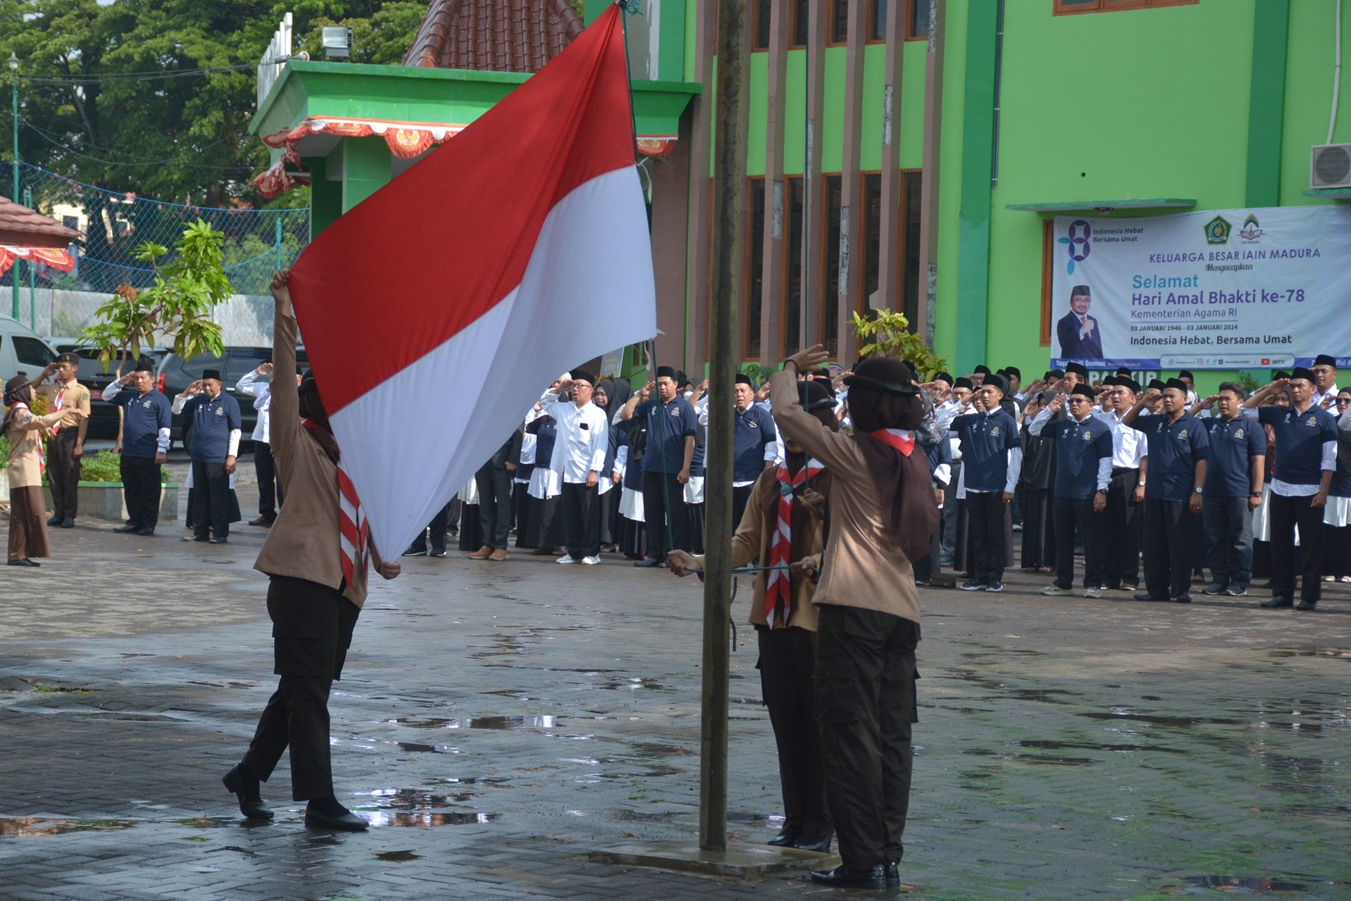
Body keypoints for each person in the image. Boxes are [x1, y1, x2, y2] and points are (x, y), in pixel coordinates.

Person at [223, 270, 400, 832]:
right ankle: (320, 803)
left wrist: (382, 555)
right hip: (301, 581)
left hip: (345, 587)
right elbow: (282, 382)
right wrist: (284, 310)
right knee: (309, 693)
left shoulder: (355, 454)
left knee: (304, 689)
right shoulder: (296, 440)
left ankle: (249, 775)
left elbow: (360, 515)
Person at [770, 347, 937, 889]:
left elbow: (789, 416)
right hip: (901, 614)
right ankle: (887, 855)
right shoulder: (913, 455)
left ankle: (860, 861)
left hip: (852, 610)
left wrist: (790, 370)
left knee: (848, 736)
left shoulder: (855, 451)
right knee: (892, 739)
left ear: (867, 404)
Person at [668, 379, 837, 855]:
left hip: (817, 619)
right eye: (788, 422)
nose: (795, 430)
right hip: (774, 618)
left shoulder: (840, 477)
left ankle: (824, 822)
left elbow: (859, 543)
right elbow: (744, 542)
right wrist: (701, 561)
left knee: (818, 724)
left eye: (805, 419)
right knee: (786, 722)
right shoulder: (772, 480)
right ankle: (797, 817)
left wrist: (821, 558)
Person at [1243, 370, 1337, 611]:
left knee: (1310, 547)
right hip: (1281, 489)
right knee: (1280, 546)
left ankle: (1309, 597)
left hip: (1310, 491)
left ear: (1312, 389)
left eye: (1300, 386)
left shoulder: (1324, 418)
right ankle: (1282, 595)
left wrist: (1324, 491)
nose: (1295, 390)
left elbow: (1329, 460)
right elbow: (1244, 411)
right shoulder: (1279, 413)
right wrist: (1269, 391)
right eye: (1292, 386)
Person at [1123, 379, 1209, 603]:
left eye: (1173, 396)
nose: (1168, 400)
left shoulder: (1194, 425)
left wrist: (1197, 491)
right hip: (1155, 493)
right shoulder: (1155, 422)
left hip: (1180, 495)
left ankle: (1180, 590)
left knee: (1180, 545)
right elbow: (1127, 420)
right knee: (1154, 545)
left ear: (1185, 400)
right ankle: (1156, 590)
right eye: (1165, 396)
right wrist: (1143, 402)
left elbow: (1202, 460)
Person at [1027, 384, 1113, 598]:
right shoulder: (1061, 425)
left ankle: (1092, 583)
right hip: (1062, 491)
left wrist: (1101, 489)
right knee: (1062, 539)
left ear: (1091, 405)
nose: (1074, 404)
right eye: (1071, 401)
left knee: (1091, 540)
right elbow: (1033, 429)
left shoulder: (1100, 429)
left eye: (1079, 401)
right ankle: (1063, 582)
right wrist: (1050, 410)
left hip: (1087, 492)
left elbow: (1106, 461)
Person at [619, 366, 697, 567]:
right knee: (652, 513)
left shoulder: (685, 407)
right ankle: (655, 554)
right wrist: (640, 395)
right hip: (651, 468)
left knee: (674, 515)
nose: (662, 388)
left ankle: (676, 555)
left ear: (675, 384)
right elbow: (626, 415)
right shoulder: (652, 406)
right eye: (659, 384)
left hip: (673, 469)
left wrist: (686, 467)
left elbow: (690, 439)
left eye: (666, 384)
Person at [1191, 384, 1265, 597]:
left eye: (1227, 399)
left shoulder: (1251, 427)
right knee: (1215, 539)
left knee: (1241, 540)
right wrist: (1201, 406)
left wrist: (1256, 492)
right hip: (1212, 492)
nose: (1222, 403)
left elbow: (1258, 462)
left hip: (1239, 493)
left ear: (1240, 402)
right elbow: (1186, 420)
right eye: (1220, 399)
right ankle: (1219, 580)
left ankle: (1239, 582)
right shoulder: (1211, 424)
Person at [5, 375, 87, 566]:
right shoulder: (20, 410)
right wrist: (67, 411)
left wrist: (42, 430)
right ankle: (18, 554)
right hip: (24, 470)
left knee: (24, 513)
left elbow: (34, 425)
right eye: (31, 388)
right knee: (30, 512)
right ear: (22, 391)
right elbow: (38, 420)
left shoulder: (21, 410)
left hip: (24, 469)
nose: (34, 391)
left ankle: (19, 554)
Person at [951, 372, 1022, 592]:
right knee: (978, 533)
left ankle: (995, 576)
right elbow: (943, 422)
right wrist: (966, 401)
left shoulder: (1006, 421)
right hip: (973, 485)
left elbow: (1016, 454)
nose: (985, 395)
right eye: (982, 391)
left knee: (996, 534)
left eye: (989, 391)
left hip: (996, 486)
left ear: (1000, 395)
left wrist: (1010, 486)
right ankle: (979, 575)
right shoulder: (972, 419)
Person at [543, 371, 610, 564]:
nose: (575, 389)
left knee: (588, 514)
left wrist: (594, 470)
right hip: (568, 470)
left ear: (590, 390)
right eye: (574, 386)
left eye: (580, 386)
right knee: (570, 513)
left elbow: (600, 444)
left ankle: (591, 552)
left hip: (586, 471)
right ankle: (573, 551)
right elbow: (545, 404)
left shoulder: (597, 414)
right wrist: (559, 389)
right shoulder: (564, 409)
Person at [102, 360, 173, 536]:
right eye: (136, 378)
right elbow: (106, 396)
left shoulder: (159, 399)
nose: (139, 381)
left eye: (142, 378)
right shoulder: (129, 397)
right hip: (129, 452)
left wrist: (162, 450)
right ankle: (134, 521)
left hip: (148, 454)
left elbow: (165, 427)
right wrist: (122, 381)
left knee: (149, 491)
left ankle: (148, 524)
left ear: (152, 379)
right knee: (132, 489)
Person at [173, 370, 242, 543]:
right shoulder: (198, 401)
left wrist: (231, 456)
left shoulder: (229, 402)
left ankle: (220, 534)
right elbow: (176, 410)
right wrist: (187, 392)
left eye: (210, 384)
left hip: (218, 457)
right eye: (204, 385)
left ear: (219, 384)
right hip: (198, 456)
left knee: (219, 497)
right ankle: (200, 532)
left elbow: (235, 430)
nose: (207, 388)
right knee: (200, 496)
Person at [1095, 377, 1147, 591]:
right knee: (1107, 529)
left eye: (1120, 393)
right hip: (1107, 476)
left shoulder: (1140, 421)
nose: (1115, 396)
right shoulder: (1102, 419)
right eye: (1113, 392)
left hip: (1129, 476)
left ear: (1133, 398)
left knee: (1129, 529)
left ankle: (1129, 578)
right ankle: (1110, 577)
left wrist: (1141, 483)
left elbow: (1145, 455)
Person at [236, 361, 300, 527]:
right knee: (264, 478)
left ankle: (285, 513)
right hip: (262, 439)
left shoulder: (292, 392)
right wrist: (257, 372)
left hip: (282, 441)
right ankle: (267, 513)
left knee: (282, 478)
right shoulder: (264, 387)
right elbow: (241, 386)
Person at [34, 353, 91, 528]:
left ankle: (69, 515)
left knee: (69, 476)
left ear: (74, 368)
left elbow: (84, 419)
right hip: (53, 435)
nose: (61, 370)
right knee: (54, 476)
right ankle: (58, 513)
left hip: (70, 435)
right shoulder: (54, 388)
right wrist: (45, 373)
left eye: (64, 367)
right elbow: (31, 389)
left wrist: (79, 443)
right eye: (59, 367)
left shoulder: (81, 391)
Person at [468, 431, 523, 561]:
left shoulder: (510, 412)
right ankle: (487, 544)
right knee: (485, 505)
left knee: (503, 505)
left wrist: (513, 459)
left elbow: (518, 435)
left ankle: (501, 546)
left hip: (502, 462)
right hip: (482, 461)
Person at [1322, 390, 1351, 582]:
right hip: (1332, 483)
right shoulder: (1331, 422)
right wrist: (1322, 409)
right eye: (1339, 400)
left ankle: (1347, 570)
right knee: (1330, 530)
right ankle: (1329, 569)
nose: (1341, 403)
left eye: (1347, 400)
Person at [1056, 285, 1103, 361]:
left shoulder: (1093, 320)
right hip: (1073, 368)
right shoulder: (1064, 321)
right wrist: (1081, 331)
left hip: (1093, 367)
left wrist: (1102, 364)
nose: (1083, 304)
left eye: (1087, 300)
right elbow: (1065, 346)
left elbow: (1098, 348)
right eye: (1078, 300)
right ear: (1071, 302)